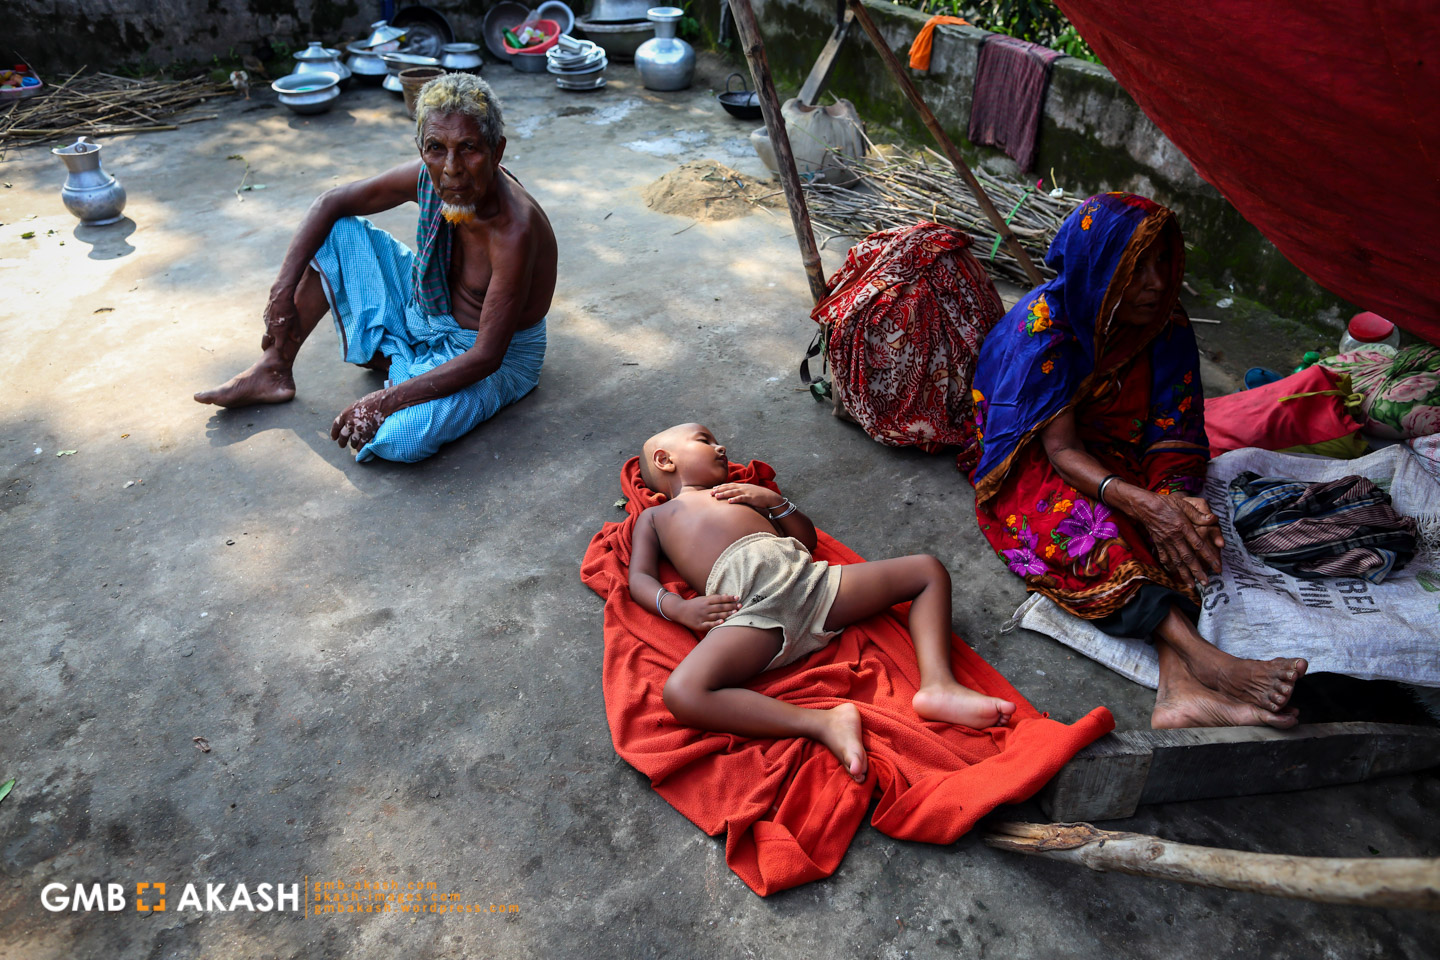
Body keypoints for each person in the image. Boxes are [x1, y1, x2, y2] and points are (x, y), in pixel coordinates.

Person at [969, 192, 1307, 729]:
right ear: (1098, 269)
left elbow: (1173, 426)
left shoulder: (1164, 324)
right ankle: (1208, 663)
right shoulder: (1045, 333)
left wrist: (1172, 497)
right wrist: (1144, 504)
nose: (1155, 281)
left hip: (1111, 445)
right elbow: (1060, 450)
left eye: (1160, 263)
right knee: (1087, 530)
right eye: (1135, 268)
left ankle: (1178, 694)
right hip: (1033, 448)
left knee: (1184, 534)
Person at [194, 73, 557, 463]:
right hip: (430, 309)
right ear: (422, 149)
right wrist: (280, 292)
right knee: (338, 231)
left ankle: (400, 364)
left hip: (490, 356)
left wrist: (385, 402)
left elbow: (487, 356)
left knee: (398, 439)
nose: (452, 168)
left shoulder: (514, 231)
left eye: (468, 148)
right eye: (436, 148)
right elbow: (329, 203)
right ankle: (275, 367)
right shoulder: (428, 175)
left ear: (496, 151)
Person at [629, 422, 1016, 781]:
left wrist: (773, 501)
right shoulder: (657, 518)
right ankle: (822, 723)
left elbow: (808, 540)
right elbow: (639, 579)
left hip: (817, 585)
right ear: (665, 460)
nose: (721, 447)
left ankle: (938, 686)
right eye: (705, 440)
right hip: (755, 611)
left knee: (927, 570)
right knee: (682, 693)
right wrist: (677, 608)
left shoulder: (742, 495)